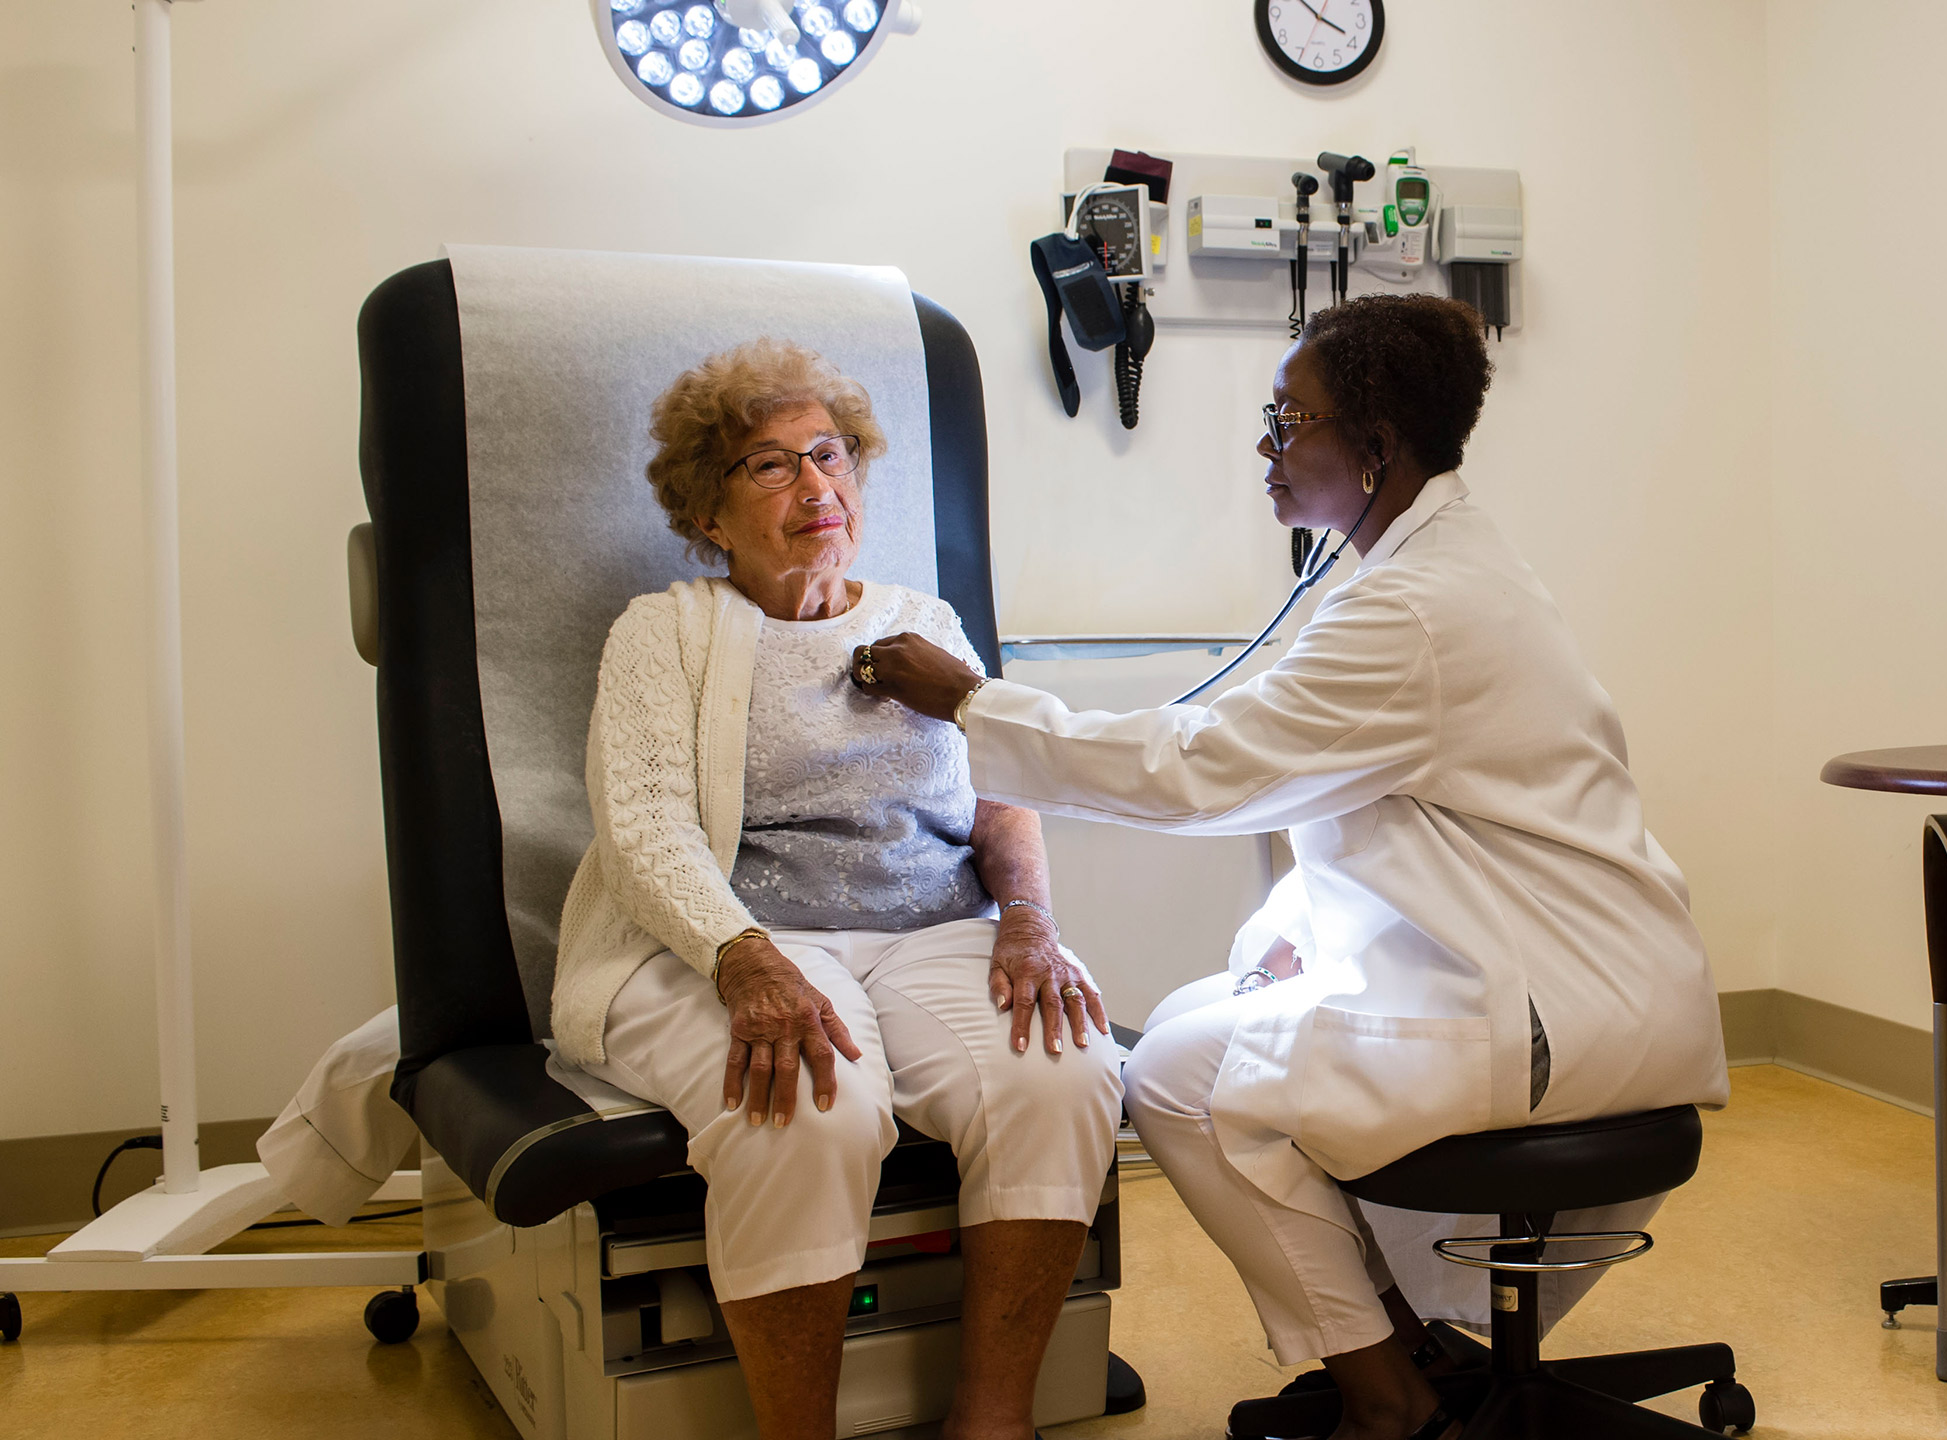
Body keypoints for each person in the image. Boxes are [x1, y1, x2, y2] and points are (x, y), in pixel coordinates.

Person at [856, 294, 1729, 1440]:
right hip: (1551, 970)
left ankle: (1388, 1395)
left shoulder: (1415, 607)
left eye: (1288, 422)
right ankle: (1406, 1348)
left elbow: (1206, 769)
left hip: (1548, 1011)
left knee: (1175, 1072)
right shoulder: (1420, 565)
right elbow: (1389, 803)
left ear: (1374, 445)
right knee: (1197, 1019)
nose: (1265, 449)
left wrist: (969, 701)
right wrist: (1295, 936)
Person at [549, 338, 1123, 1440]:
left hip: (931, 926)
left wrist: (1031, 923)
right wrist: (745, 957)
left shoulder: (923, 624)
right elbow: (644, 828)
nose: (816, 487)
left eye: (829, 455)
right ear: (708, 514)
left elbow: (1002, 795)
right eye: (770, 467)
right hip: (740, 932)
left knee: (1063, 1067)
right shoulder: (663, 633)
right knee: (807, 1103)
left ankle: (992, 1419)